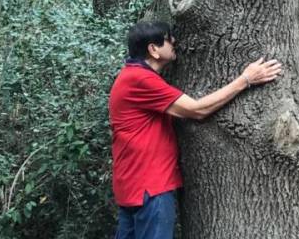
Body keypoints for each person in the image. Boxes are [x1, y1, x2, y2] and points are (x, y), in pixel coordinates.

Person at [109, 21, 282, 239]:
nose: (174, 42)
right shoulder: (140, 79)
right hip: (149, 187)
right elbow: (198, 109)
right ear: (153, 49)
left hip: (132, 184)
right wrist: (245, 79)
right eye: (167, 38)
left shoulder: (129, 76)